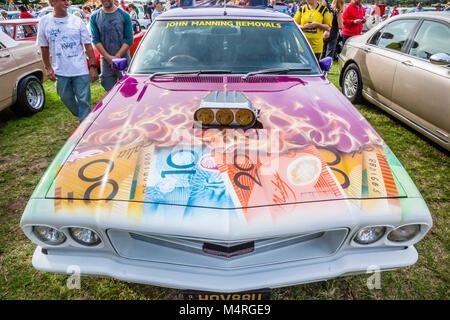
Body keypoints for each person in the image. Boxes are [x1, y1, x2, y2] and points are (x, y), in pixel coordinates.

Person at [37, 0, 98, 122]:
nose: (67, 3)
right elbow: (44, 47)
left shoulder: (77, 21)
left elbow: (88, 45)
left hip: (80, 69)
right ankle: (82, 115)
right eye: (63, 0)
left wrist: (93, 66)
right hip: (60, 70)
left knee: (84, 100)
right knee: (66, 98)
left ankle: (84, 126)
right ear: (53, 2)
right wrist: (48, 67)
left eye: (68, 0)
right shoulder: (44, 22)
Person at [90, 0, 134, 92]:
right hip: (106, 61)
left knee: (129, 90)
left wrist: (116, 57)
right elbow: (96, 40)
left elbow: (129, 39)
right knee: (110, 92)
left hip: (123, 60)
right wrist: (108, 58)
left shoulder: (124, 15)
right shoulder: (94, 17)